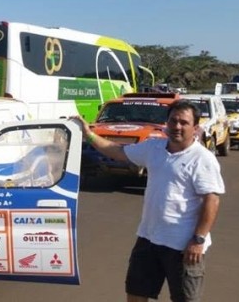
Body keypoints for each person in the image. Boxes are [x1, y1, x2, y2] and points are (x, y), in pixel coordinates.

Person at [75, 100, 225, 302]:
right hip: (149, 238)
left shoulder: (202, 159)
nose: (177, 127)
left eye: (184, 122)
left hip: (183, 246)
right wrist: (89, 135)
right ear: (167, 123)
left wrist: (198, 240)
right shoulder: (153, 148)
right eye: (173, 121)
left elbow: (211, 200)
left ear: (195, 127)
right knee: (136, 294)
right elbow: (118, 151)